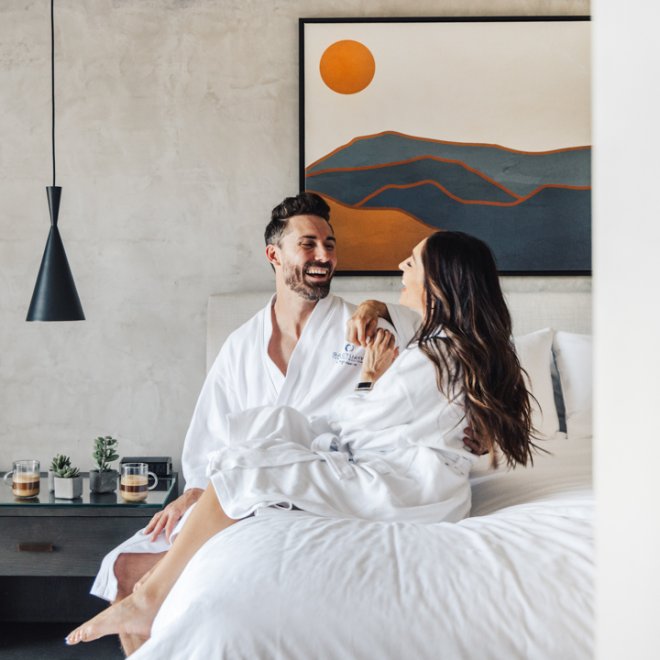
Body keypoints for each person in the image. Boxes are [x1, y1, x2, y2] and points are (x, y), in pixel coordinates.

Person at [67, 231, 535, 650]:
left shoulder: (430, 356)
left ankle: (148, 599)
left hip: (403, 487)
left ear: (438, 281)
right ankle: (148, 596)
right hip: (418, 481)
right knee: (256, 454)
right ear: (274, 254)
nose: (400, 267)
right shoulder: (448, 347)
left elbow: (355, 428)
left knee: (245, 467)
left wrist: (370, 378)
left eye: (411, 263)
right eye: (309, 244)